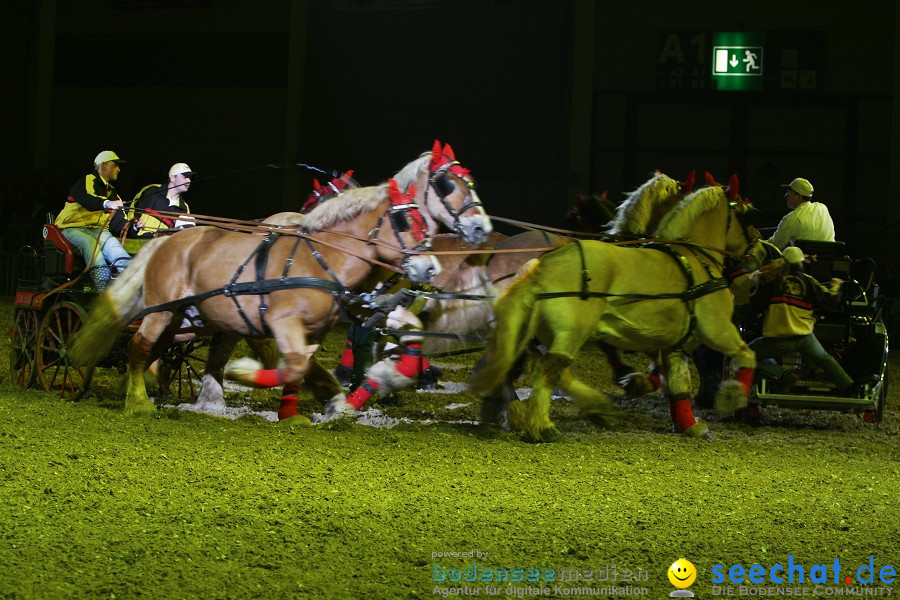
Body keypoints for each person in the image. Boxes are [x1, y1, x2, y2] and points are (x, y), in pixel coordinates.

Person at [747, 245, 854, 394]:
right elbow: (829, 301)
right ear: (800, 263)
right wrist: (836, 285)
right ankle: (849, 387)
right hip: (805, 339)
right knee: (825, 359)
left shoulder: (771, 281)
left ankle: (784, 375)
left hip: (778, 341)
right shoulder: (809, 282)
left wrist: (756, 285)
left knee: (743, 355)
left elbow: (756, 306)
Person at [54, 150, 132, 290]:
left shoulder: (113, 193)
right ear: (103, 166)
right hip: (71, 229)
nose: (118, 169)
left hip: (97, 230)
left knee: (114, 246)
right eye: (115, 165)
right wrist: (107, 203)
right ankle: (103, 289)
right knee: (91, 244)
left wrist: (133, 226)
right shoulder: (88, 180)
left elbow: (119, 222)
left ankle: (133, 284)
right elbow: (88, 200)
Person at [126, 162, 197, 237]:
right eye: (184, 176)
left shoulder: (184, 208)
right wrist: (134, 225)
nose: (188, 181)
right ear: (172, 178)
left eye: (190, 178)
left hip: (159, 247)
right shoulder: (151, 191)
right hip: (134, 241)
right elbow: (132, 211)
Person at [767, 177, 835, 250]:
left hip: (805, 260)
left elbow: (774, 245)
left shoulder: (791, 219)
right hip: (828, 259)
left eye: (789, 192)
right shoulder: (823, 208)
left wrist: (758, 239)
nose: (786, 196)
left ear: (798, 196)